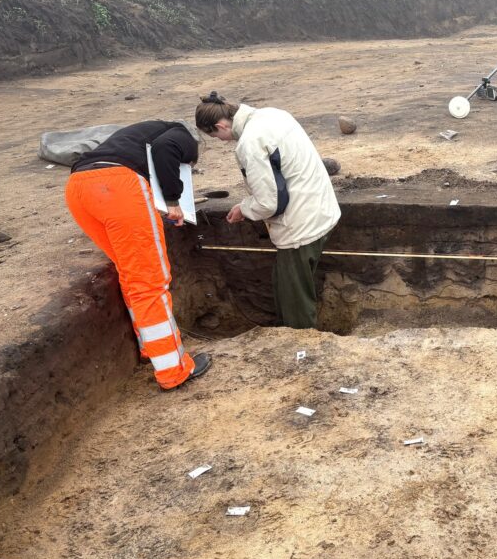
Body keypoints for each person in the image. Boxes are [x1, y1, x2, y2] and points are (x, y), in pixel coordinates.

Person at [65, 121, 212, 390]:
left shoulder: (135, 138)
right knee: (150, 283)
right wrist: (173, 202)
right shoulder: (181, 136)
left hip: (79, 187)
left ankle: (150, 349)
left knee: (131, 272)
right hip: (116, 187)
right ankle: (173, 371)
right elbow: (166, 149)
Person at [195, 92, 340, 329]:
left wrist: (244, 208)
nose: (221, 141)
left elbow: (268, 202)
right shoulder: (273, 114)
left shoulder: (250, 143)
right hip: (321, 209)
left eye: (215, 135)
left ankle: (300, 345)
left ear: (221, 125)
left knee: (295, 298)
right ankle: (287, 332)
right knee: (285, 282)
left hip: (300, 225)